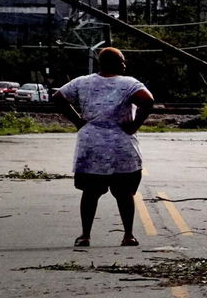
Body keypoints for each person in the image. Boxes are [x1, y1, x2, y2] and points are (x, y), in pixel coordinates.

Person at [52, 47, 155, 248]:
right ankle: (128, 235)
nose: (125, 64)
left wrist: (76, 120)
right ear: (116, 64)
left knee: (90, 193)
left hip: (92, 146)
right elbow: (147, 100)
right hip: (121, 146)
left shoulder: (82, 82)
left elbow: (58, 97)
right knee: (125, 193)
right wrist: (134, 125)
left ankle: (85, 235)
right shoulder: (129, 84)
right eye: (122, 61)